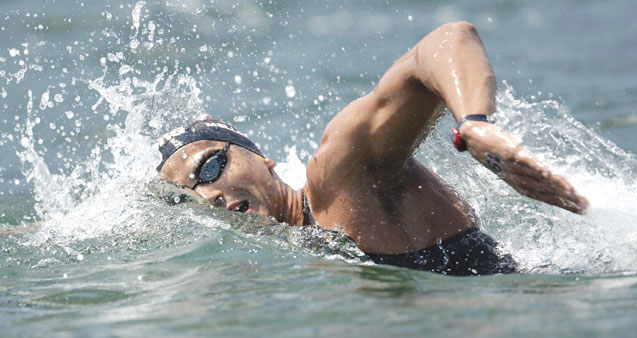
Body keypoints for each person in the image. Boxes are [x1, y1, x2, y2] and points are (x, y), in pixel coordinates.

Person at [156, 22, 588, 276]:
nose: (206, 194)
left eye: (209, 168)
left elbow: (447, 40)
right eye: (186, 194)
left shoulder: (337, 177)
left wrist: (474, 122)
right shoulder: (293, 253)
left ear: (262, 160)